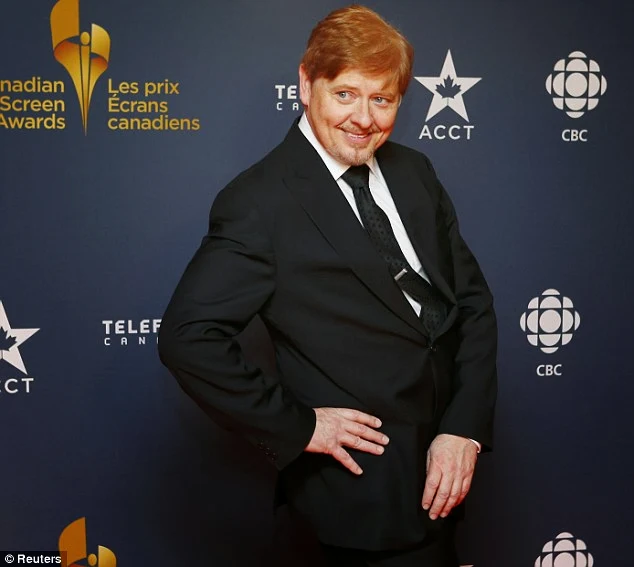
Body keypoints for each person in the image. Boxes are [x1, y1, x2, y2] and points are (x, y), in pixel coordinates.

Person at [158, 5, 497, 566]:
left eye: (382, 99)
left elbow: (472, 306)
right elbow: (187, 337)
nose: (364, 118)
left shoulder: (415, 172)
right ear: (306, 84)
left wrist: (464, 429)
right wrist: (298, 426)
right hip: (354, 501)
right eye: (345, 94)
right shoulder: (259, 202)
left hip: (443, 477)